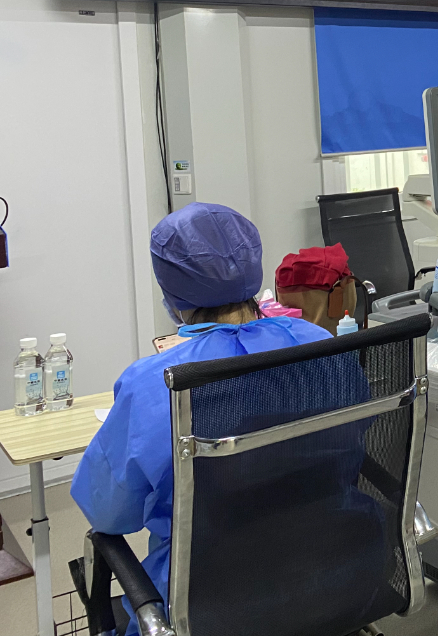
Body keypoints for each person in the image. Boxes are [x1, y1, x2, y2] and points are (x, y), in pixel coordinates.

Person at [70, 203, 353, 635]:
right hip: (332, 568)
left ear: (171, 288)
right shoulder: (319, 344)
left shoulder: (159, 383)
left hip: (205, 600)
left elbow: (109, 514)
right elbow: (352, 447)